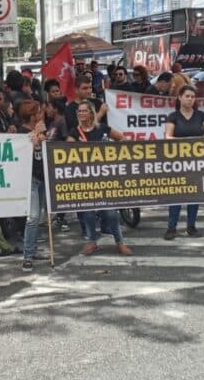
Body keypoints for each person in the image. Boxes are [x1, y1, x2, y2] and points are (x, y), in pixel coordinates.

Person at [66, 101, 131, 255]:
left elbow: (122, 139)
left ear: (91, 113)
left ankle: (120, 242)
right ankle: (92, 242)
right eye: (79, 111)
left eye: (84, 111)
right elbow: (67, 151)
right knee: (88, 212)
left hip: (104, 178)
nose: (81, 114)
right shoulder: (73, 133)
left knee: (110, 212)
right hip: (85, 179)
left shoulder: (102, 129)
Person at [164, 85, 204, 239]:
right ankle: (171, 227)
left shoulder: (201, 115)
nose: (190, 99)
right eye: (187, 96)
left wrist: (197, 141)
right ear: (180, 97)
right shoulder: (173, 116)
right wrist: (187, 141)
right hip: (178, 161)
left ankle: (191, 227)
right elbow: (168, 137)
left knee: (194, 195)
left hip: (196, 162)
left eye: (193, 96)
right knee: (176, 195)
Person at [19, 99, 50, 271]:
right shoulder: (21, 132)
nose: (41, 115)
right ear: (31, 116)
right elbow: (23, 153)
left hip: (42, 176)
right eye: (38, 112)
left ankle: (34, 249)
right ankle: (27, 256)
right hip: (29, 179)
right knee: (32, 217)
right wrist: (36, 137)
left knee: (39, 217)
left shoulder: (41, 131)